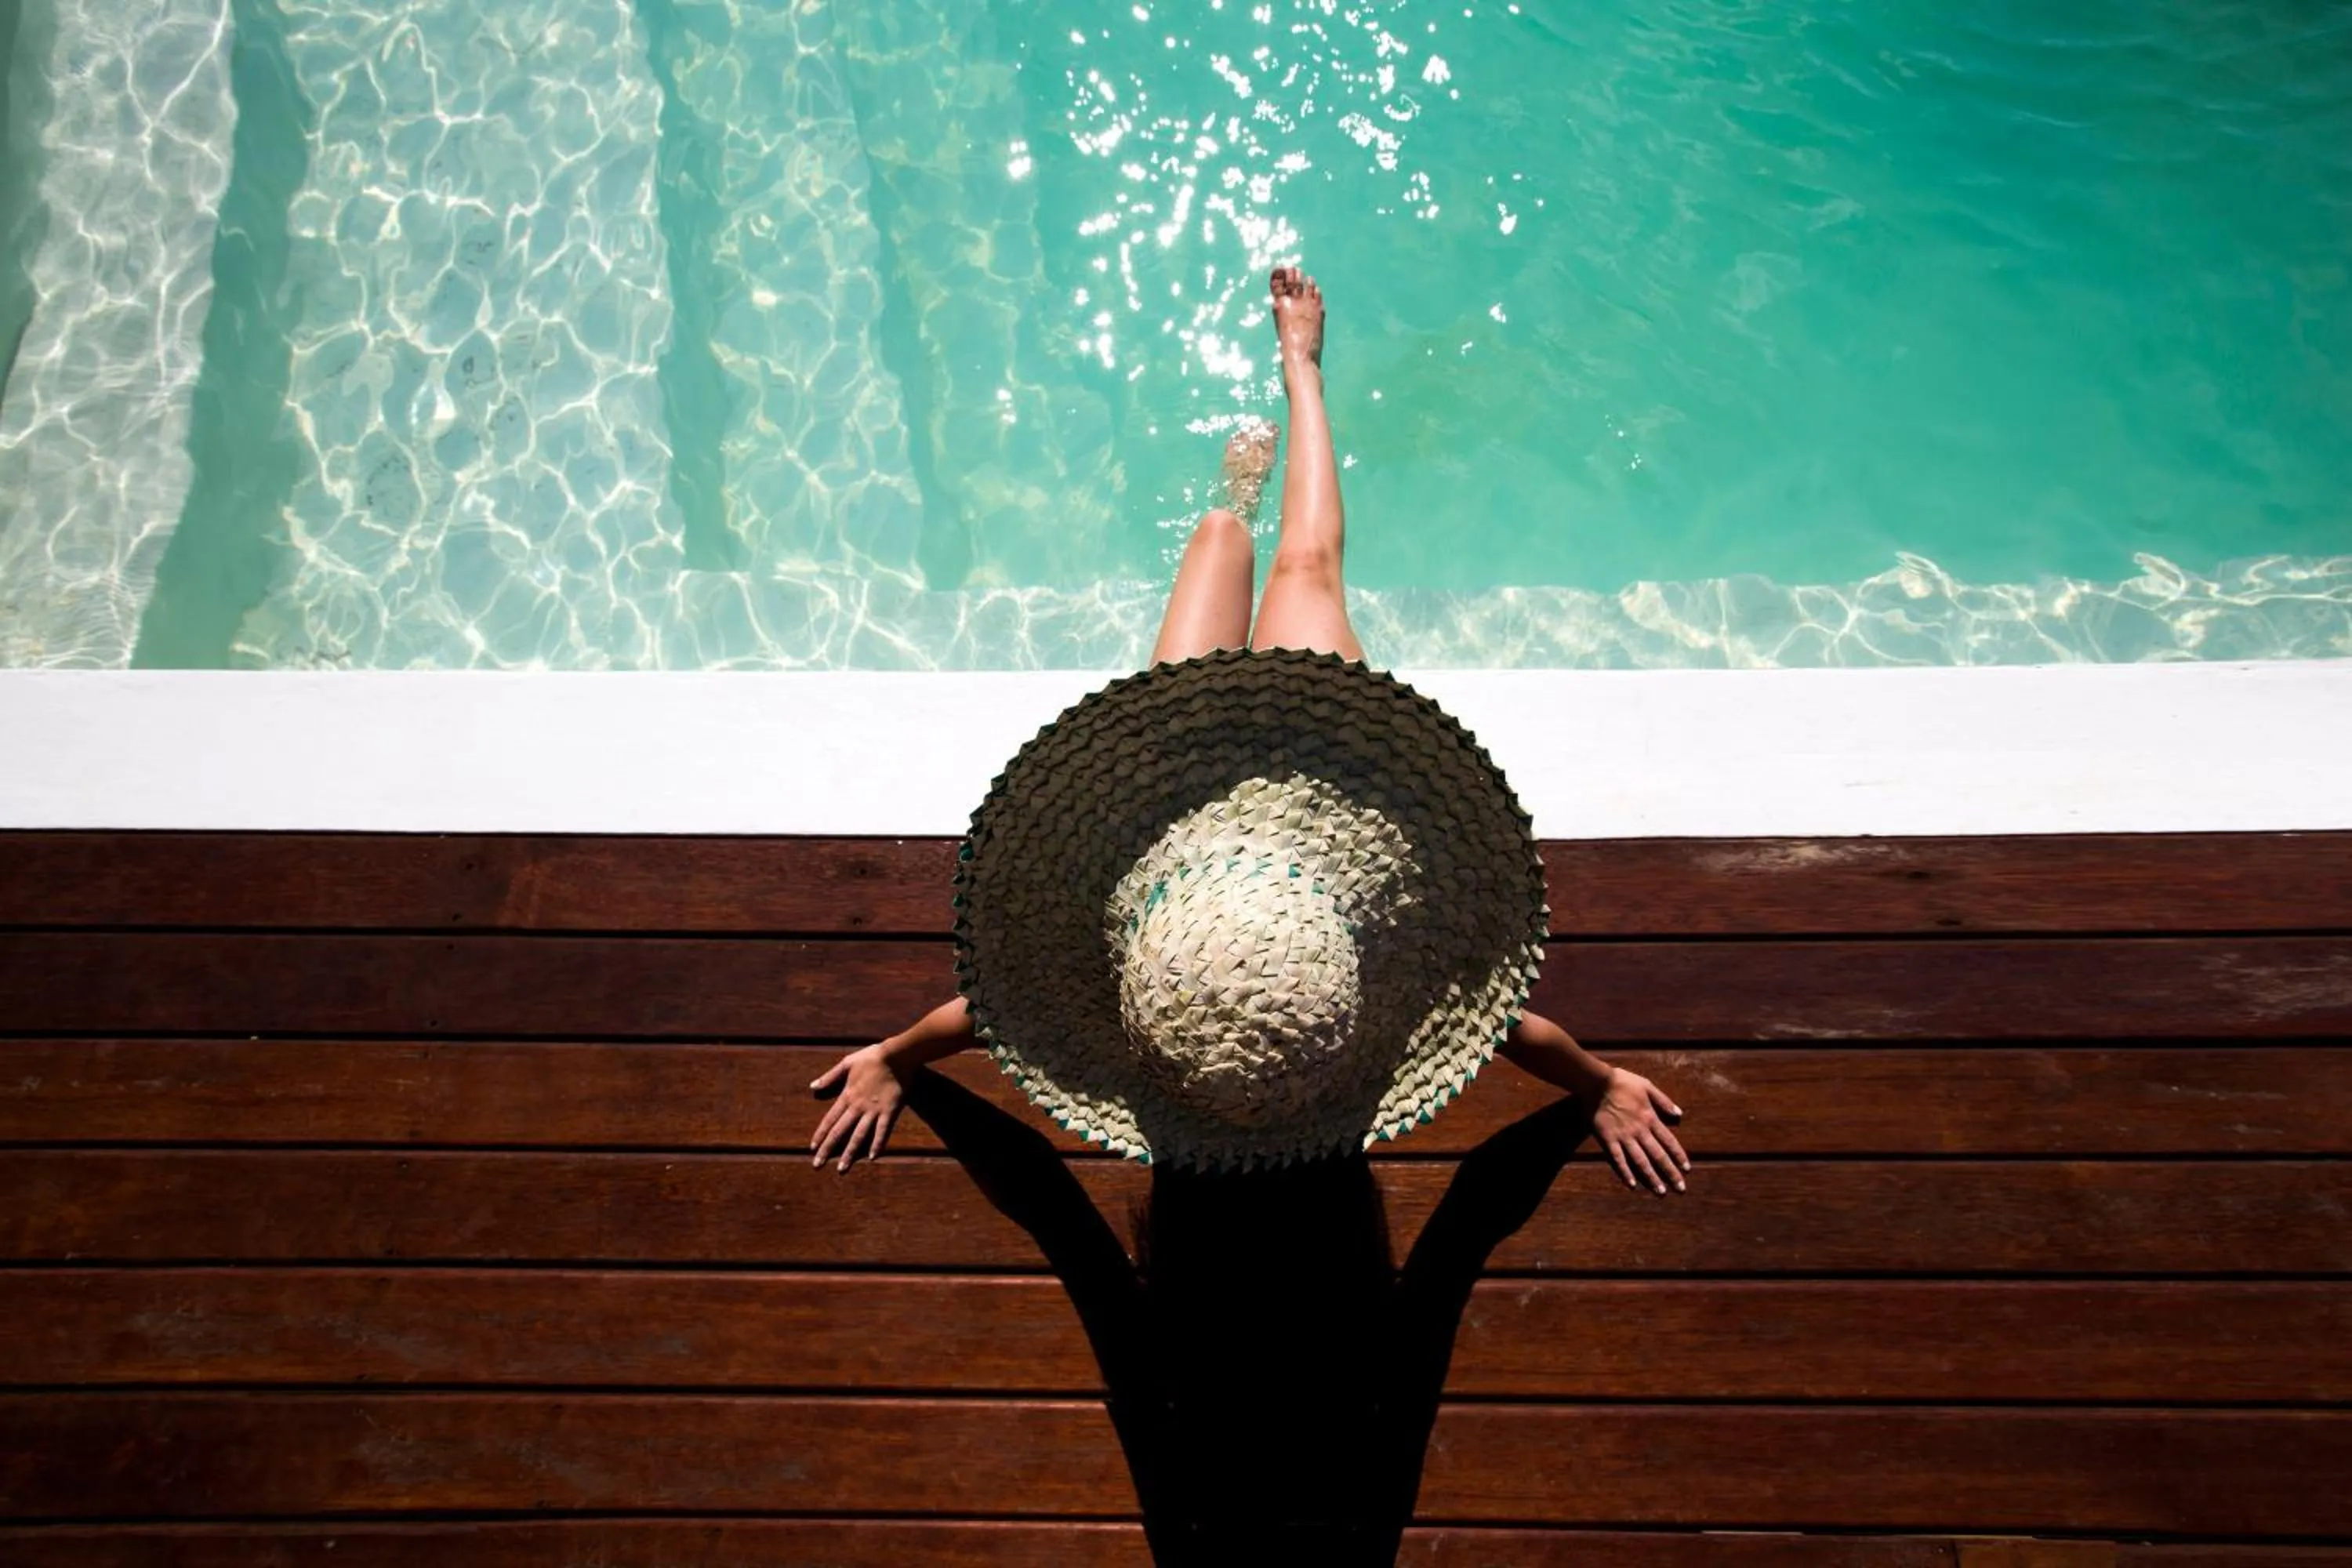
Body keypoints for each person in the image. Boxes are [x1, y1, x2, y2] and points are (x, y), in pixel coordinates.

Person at [812, 266, 1690, 1196]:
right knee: (1307, 563)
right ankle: (1301, 369)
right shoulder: (1280, 1006)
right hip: (1323, 783)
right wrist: (1597, 1083)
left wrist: (899, 1057)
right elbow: (1507, 1017)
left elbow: (994, 1014)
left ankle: (1240, 485)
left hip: (1169, 789)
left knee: (1218, 542)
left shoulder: (1182, 992)